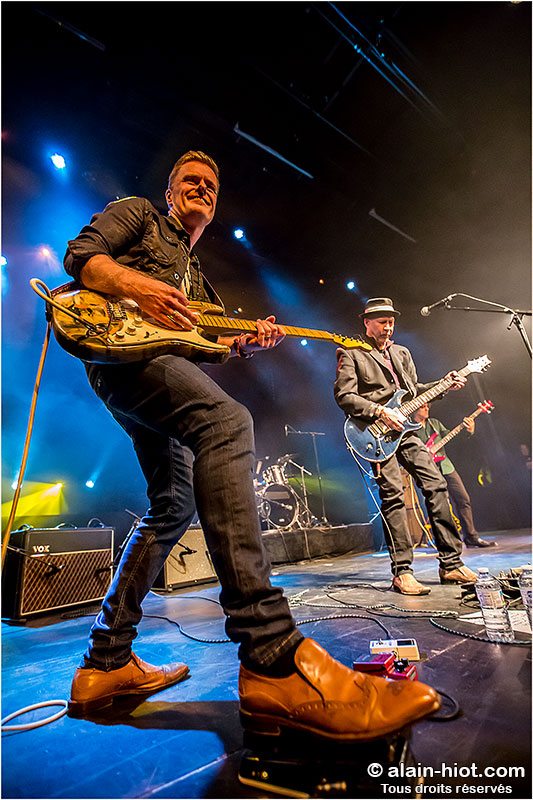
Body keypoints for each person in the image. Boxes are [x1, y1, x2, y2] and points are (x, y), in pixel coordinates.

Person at [62, 153, 440, 738]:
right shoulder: (138, 215)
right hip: (117, 352)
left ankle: (104, 663)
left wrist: (243, 344)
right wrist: (140, 286)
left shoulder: (198, 280)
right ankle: (270, 654)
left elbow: (200, 345)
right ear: (169, 192)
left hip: (154, 366)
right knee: (227, 423)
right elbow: (81, 256)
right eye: (190, 181)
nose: (202, 189)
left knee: (173, 505)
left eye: (211, 186)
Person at [334, 297, 478, 596]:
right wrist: (379, 411)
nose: (388, 327)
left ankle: (451, 563)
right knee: (393, 497)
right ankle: (402, 572)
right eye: (382, 322)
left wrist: (444, 384)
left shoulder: (402, 353)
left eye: (391, 322)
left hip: (407, 431)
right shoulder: (352, 353)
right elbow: (345, 396)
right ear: (367, 323)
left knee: (436, 484)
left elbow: (414, 392)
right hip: (375, 433)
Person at [412, 403, 497, 548]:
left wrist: (469, 430)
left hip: (446, 466)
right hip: (428, 471)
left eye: (428, 406)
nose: (427, 408)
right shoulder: (410, 429)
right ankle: (445, 541)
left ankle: (471, 537)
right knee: (438, 505)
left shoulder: (434, 423)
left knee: (463, 499)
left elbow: (452, 437)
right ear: (414, 409)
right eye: (423, 407)